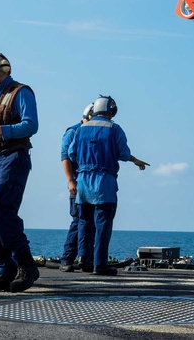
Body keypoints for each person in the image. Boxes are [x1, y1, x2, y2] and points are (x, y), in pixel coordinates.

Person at [0, 50, 40, 293]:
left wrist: (0, 132)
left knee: (3, 210)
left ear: (2, 68)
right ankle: (5, 270)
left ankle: (26, 265)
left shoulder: (21, 92)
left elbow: (31, 125)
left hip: (12, 159)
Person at [68, 95, 149, 276]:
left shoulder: (80, 129)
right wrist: (135, 160)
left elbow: (71, 153)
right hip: (104, 181)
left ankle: (83, 258)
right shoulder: (114, 128)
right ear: (110, 110)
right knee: (103, 224)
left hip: (83, 181)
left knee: (84, 222)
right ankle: (100, 264)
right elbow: (123, 152)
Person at [58, 103, 94, 272]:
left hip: (89, 183)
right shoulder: (73, 132)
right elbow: (65, 157)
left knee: (89, 221)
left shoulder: (90, 132)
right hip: (78, 182)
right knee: (78, 220)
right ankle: (67, 258)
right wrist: (71, 180)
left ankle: (85, 257)